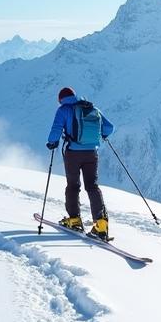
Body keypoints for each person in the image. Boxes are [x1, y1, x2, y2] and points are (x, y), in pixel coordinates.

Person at [46, 87, 115, 239]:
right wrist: (102, 135)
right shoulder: (91, 108)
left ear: (61, 99)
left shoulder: (63, 110)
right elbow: (109, 127)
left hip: (73, 153)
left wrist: (52, 142)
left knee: (73, 186)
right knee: (92, 186)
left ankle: (74, 220)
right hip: (92, 153)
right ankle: (101, 225)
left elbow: (56, 129)